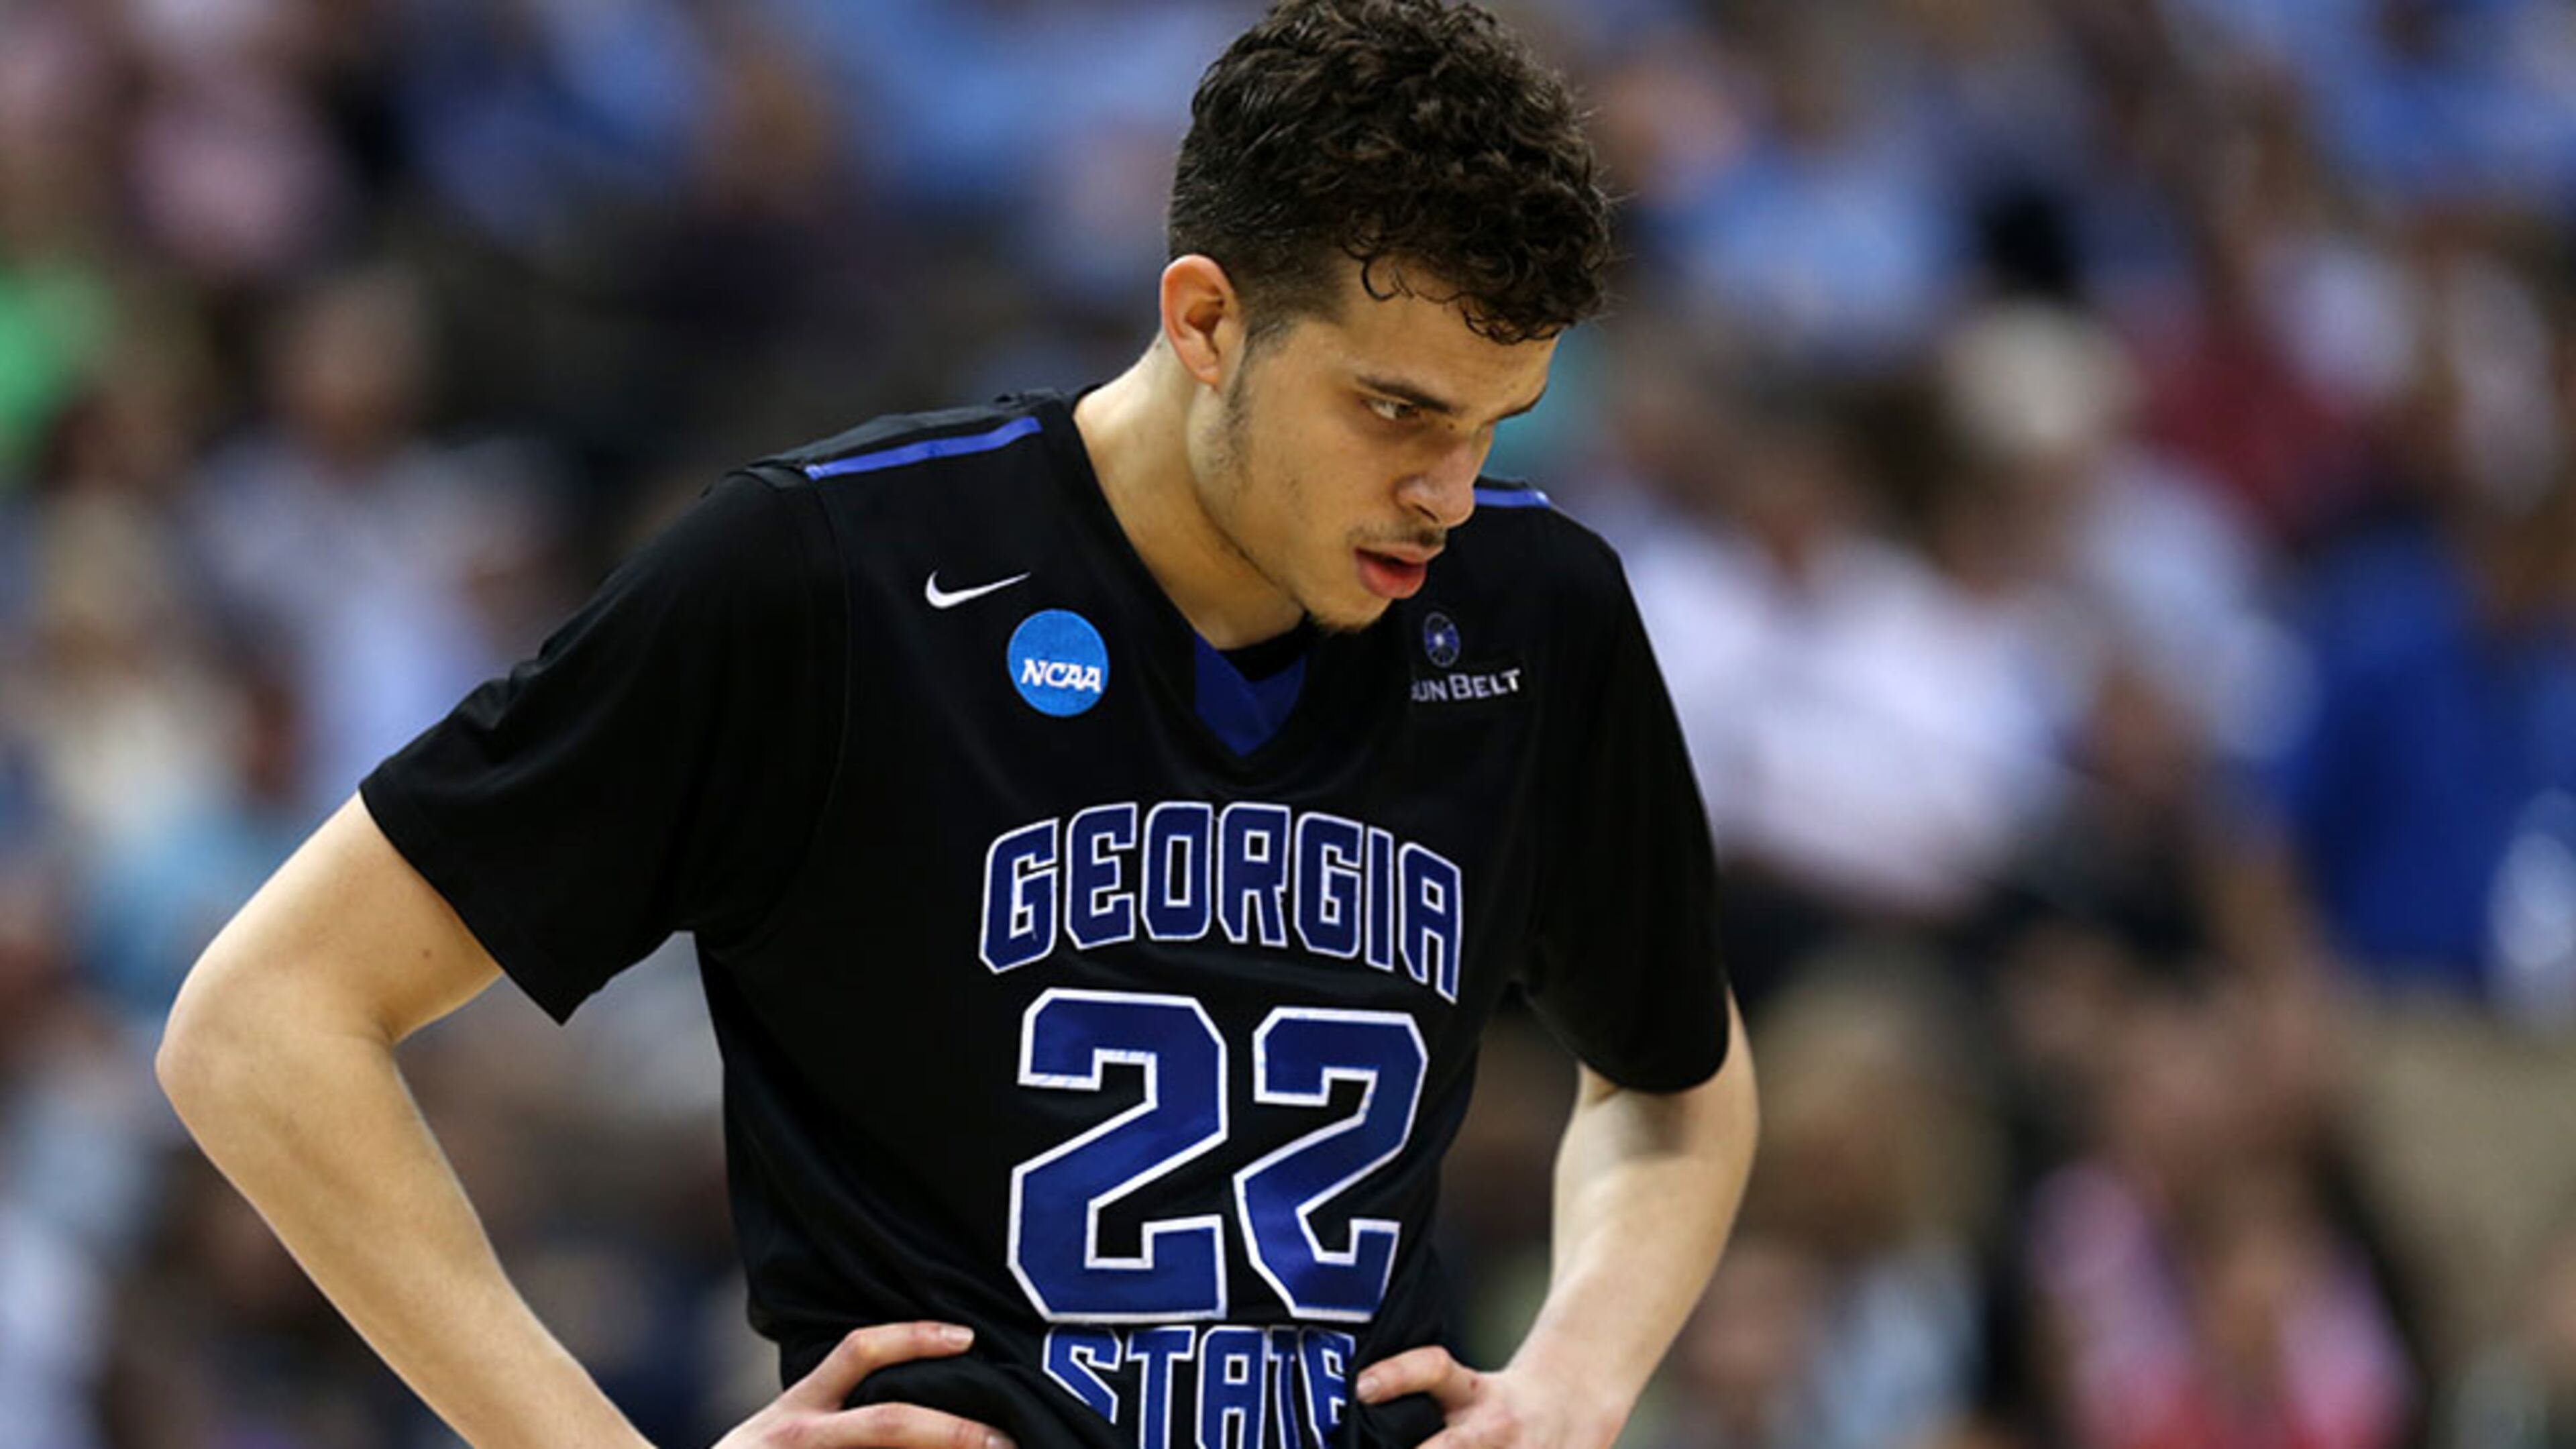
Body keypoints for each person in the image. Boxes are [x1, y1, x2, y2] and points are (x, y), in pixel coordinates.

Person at [153, 3, 1760, 1446]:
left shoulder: (1533, 610)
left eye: (1496, 425)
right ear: (1206, 322)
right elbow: (264, 1023)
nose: (1446, 494)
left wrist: (1579, 1373)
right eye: (1396, 411)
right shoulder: (827, 576)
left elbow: (1676, 1072)